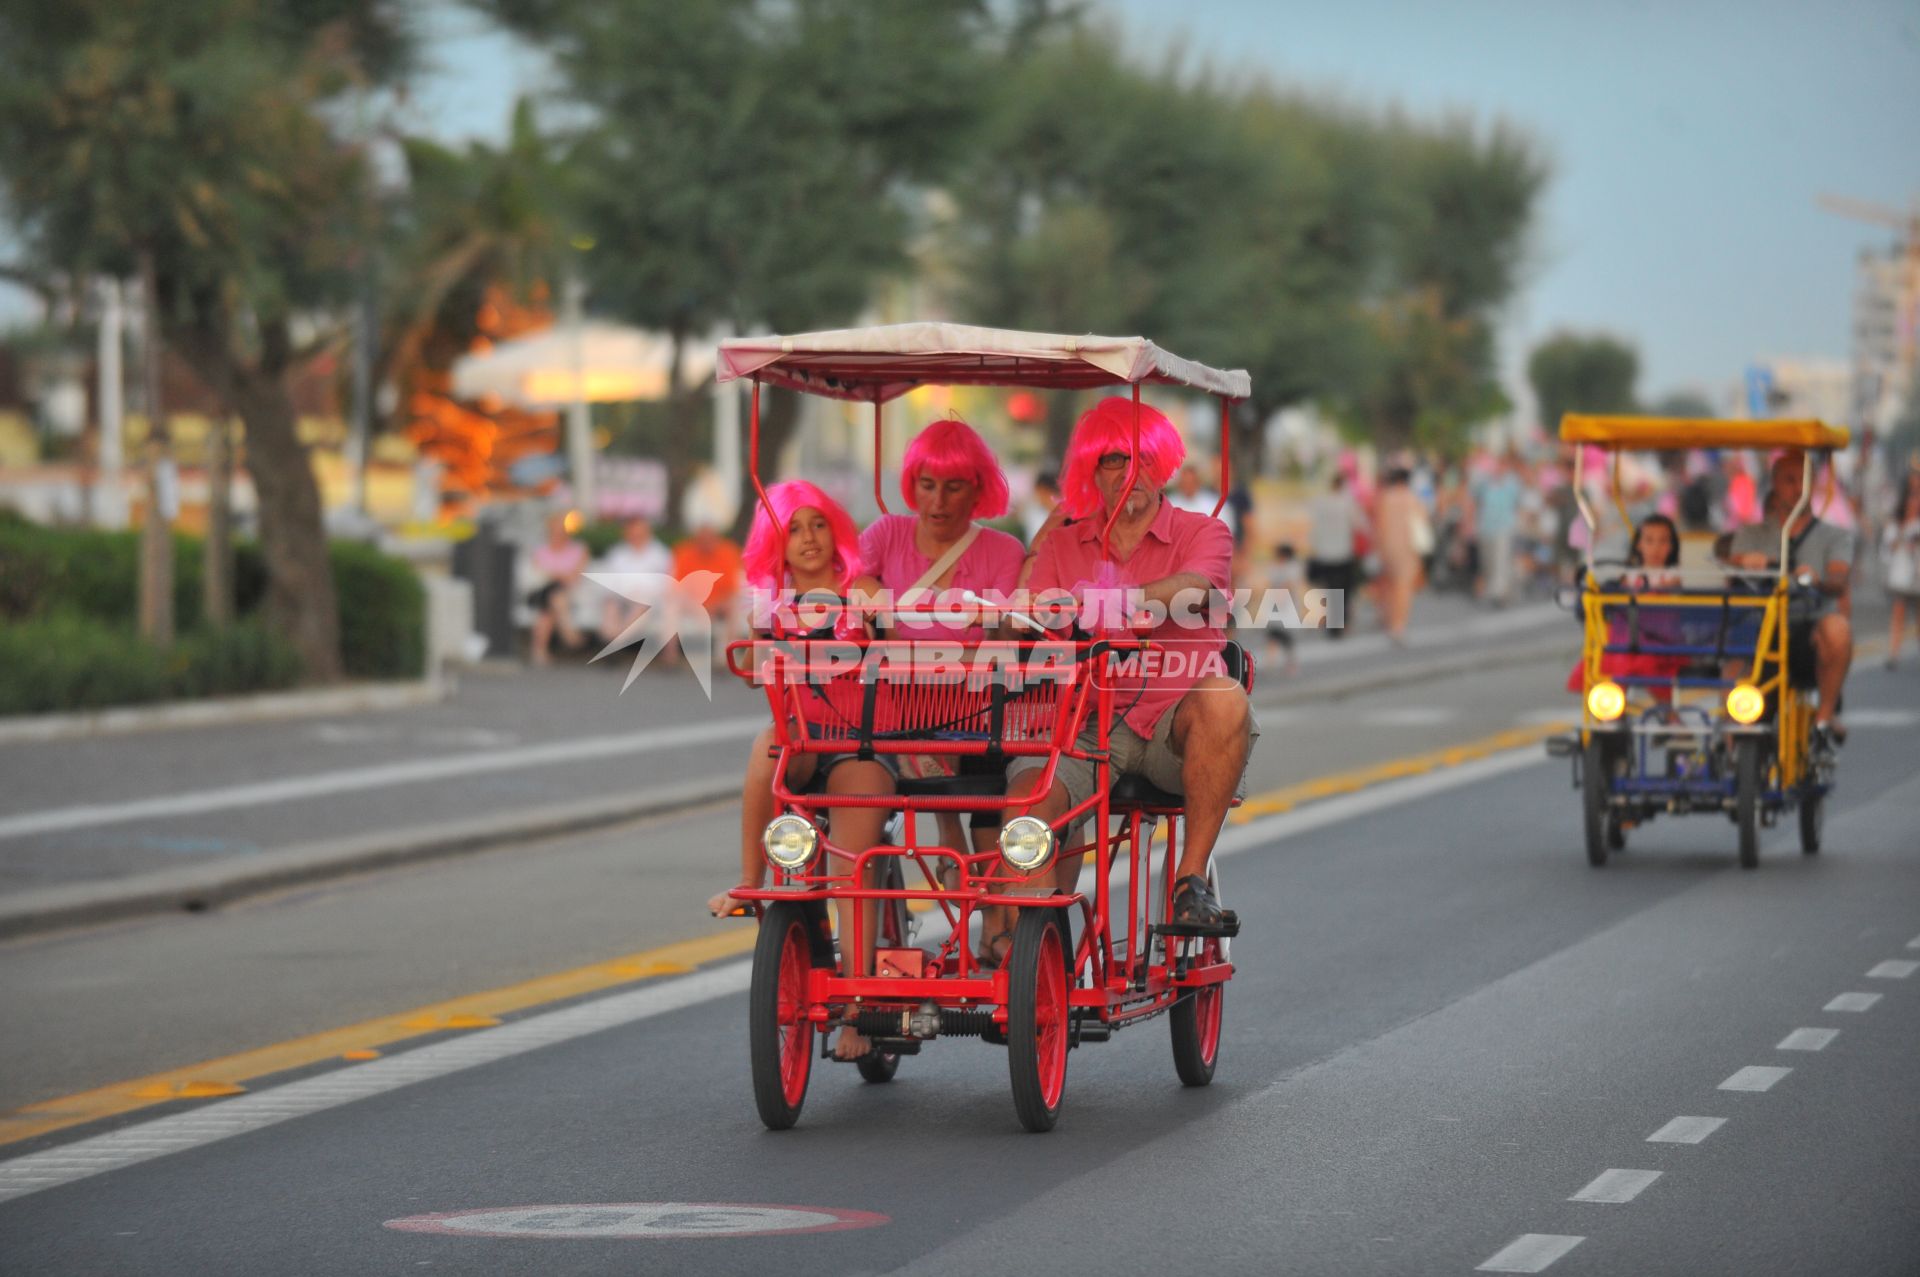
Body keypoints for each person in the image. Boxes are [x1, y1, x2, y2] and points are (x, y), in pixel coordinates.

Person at [1004, 396, 1256, 945]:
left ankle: (1190, 880)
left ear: (1163, 464)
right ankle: (1038, 951)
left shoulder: (1202, 531)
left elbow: (1196, 589)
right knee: (1027, 807)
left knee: (1225, 695)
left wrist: (1116, 599)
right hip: (1083, 723)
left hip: (1173, 720)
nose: (1130, 472)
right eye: (1114, 459)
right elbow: (1024, 615)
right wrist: (1045, 536)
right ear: (1092, 470)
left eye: (1143, 458)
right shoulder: (1065, 542)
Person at [706, 480, 892, 1061]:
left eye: (818, 525)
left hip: (863, 743)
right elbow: (755, 667)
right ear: (776, 544)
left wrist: (868, 617)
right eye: (794, 530)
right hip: (801, 738)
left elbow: (886, 630)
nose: (809, 540)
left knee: (851, 864)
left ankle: (858, 1010)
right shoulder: (770, 598)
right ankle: (752, 883)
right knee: (767, 743)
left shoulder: (859, 586)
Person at [859, 418, 1028, 890]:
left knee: (988, 768)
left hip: (976, 706)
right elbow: (850, 576)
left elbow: (1007, 634)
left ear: (977, 490)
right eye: (927, 486)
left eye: (953, 488)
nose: (937, 502)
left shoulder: (1002, 550)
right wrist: (874, 595)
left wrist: (985, 627)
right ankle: (948, 830)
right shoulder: (887, 533)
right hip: (896, 704)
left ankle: (994, 910)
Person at [1726, 452, 1855, 742]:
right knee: (1731, 647)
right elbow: (1730, 564)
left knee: (1837, 629)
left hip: (1805, 632)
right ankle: (1729, 741)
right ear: (1774, 485)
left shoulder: (1835, 536)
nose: (1798, 489)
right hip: (1760, 631)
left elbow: (1838, 578)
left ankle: (1824, 717)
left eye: (1804, 481)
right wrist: (1745, 561)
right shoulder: (1751, 533)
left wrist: (1819, 579)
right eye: (1789, 481)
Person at [670, 520, 746, 660]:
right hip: (691, 604)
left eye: (710, 537)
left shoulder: (728, 552)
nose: (706, 541)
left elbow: (732, 589)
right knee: (672, 604)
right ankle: (670, 656)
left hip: (720, 604)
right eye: (702, 537)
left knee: (733, 604)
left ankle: (727, 657)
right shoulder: (685, 552)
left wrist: (712, 606)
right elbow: (678, 587)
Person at [1306, 473, 1367, 639]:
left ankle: (1331, 621)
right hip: (1343, 552)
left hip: (1324, 553)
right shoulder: (1348, 503)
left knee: (1329, 588)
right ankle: (1339, 623)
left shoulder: (1320, 502)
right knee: (1343, 589)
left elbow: (1313, 527)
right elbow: (1360, 524)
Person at [597, 516, 673, 646]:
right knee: (611, 604)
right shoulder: (618, 553)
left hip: (647, 599)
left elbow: (665, 583)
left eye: (639, 532)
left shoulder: (660, 554)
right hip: (622, 596)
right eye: (632, 531)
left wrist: (639, 591)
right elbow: (610, 579)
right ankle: (610, 636)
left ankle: (617, 640)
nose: (635, 535)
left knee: (642, 603)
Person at [526, 512, 588, 665]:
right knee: (554, 594)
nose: (557, 534)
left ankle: (539, 652)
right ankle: (569, 634)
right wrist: (558, 575)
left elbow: (575, 576)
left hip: (566, 594)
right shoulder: (540, 550)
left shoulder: (578, 550)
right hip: (540, 592)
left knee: (548, 607)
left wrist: (554, 574)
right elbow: (536, 576)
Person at [1372, 468, 1424, 645]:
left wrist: (1380, 549)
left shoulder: (1386, 497)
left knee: (1389, 585)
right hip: (1407, 547)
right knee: (1404, 588)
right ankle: (1398, 626)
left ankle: (1387, 618)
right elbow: (1421, 523)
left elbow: (1380, 526)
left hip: (1388, 547)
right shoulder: (1411, 498)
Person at [1473, 452, 1523, 607]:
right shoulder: (1485, 483)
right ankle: (1500, 589)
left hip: (1504, 526)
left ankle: (1498, 593)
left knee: (1500, 560)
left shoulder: (1512, 483)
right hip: (1486, 527)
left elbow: (1517, 502)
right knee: (1488, 562)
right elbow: (1476, 501)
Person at [1881, 468, 1920, 669]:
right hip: (1901, 574)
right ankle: (1893, 653)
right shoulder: (1897, 520)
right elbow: (1890, 545)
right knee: (1898, 612)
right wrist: (1906, 526)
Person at [1264, 542, 1304, 676]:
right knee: (1273, 635)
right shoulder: (1275, 567)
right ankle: (1270, 662)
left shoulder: (1292, 567)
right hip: (1275, 606)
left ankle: (1291, 664)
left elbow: (1290, 584)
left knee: (1288, 638)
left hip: (1288, 608)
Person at [1021, 470, 1061, 543]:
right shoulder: (1036, 513)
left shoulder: (1063, 513)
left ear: (1042, 490)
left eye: (1037, 492)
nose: (1037, 497)